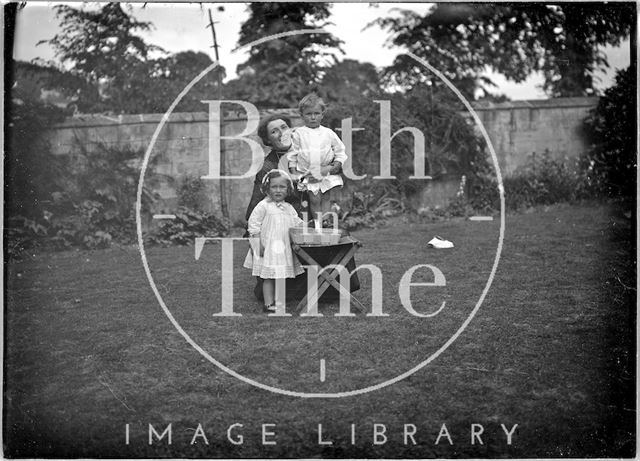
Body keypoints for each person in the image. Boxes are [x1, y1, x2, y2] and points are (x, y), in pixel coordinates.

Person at [243, 170, 304, 312]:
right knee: (268, 277)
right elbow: (253, 224)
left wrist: (309, 226)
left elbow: (297, 223)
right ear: (267, 189)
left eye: (282, 187)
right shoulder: (263, 206)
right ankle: (268, 304)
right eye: (274, 187)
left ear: (288, 190)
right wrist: (256, 243)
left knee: (281, 276)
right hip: (267, 248)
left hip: (283, 249)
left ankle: (279, 301)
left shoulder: (289, 208)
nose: (278, 190)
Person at [287, 93, 347, 226]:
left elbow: (340, 150)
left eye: (316, 113)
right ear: (302, 115)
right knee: (314, 198)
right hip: (308, 173)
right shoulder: (298, 133)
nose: (313, 117)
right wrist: (293, 172)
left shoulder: (328, 133)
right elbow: (292, 154)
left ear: (322, 115)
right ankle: (317, 222)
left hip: (325, 171)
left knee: (326, 197)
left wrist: (334, 166)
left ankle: (325, 221)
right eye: (309, 114)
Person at [245, 114, 301, 225]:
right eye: (274, 132)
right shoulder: (267, 168)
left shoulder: (308, 154)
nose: (282, 133)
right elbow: (254, 209)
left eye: (284, 127)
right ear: (268, 140)